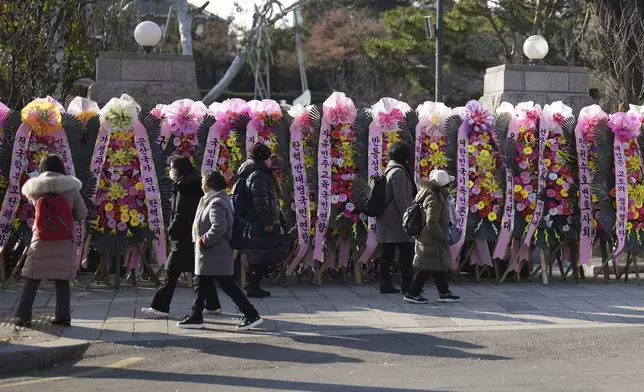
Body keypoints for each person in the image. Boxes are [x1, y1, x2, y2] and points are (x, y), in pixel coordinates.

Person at [178, 170, 263, 330]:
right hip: (212, 253)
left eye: (203, 181)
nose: (201, 184)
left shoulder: (216, 202)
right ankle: (196, 315)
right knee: (202, 284)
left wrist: (204, 240)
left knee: (226, 285)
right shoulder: (214, 199)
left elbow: (219, 227)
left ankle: (251, 314)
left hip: (214, 251)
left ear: (209, 184)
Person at [142, 156, 221, 318]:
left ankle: (160, 307)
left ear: (179, 169)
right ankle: (213, 305)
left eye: (172, 168)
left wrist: (171, 231)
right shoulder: (192, 183)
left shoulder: (185, 187)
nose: (170, 171)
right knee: (200, 271)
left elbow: (180, 214)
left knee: (171, 272)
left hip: (183, 235)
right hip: (193, 234)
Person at [14, 155, 88, 327]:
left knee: (32, 277)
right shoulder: (71, 187)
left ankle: (22, 316)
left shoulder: (34, 188)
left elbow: (36, 209)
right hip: (64, 239)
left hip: (41, 238)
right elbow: (82, 213)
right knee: (62, 278)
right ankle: (63, 317)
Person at [404, 170, 460, 304]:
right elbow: (431, 222)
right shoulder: (434, 197)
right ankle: (413, 292)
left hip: (432, 238)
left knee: (437, 266)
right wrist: (443, 237)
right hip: (431, 238)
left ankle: (444, 292)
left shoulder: (436, 195)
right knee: (426, 267)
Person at [236, 143, 285, 298]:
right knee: (262, 256)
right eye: (270, 158)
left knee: (263, 255)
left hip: (256, 221)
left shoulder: (255, 172)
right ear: (265, 158)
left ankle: (253, 284)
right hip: (259, 222)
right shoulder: (259, 175)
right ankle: (252, 285)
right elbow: (261, 202)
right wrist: (267, 222)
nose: (272, 161)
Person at [376, 142, 417, 294]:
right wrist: (408, 218)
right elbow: (401, 199)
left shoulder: (389, 169)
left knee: (388, 251)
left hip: (388, 218)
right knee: (405, 250)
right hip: (396, 219)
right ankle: (406, 284)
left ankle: (385, 283)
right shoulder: (398, 172)